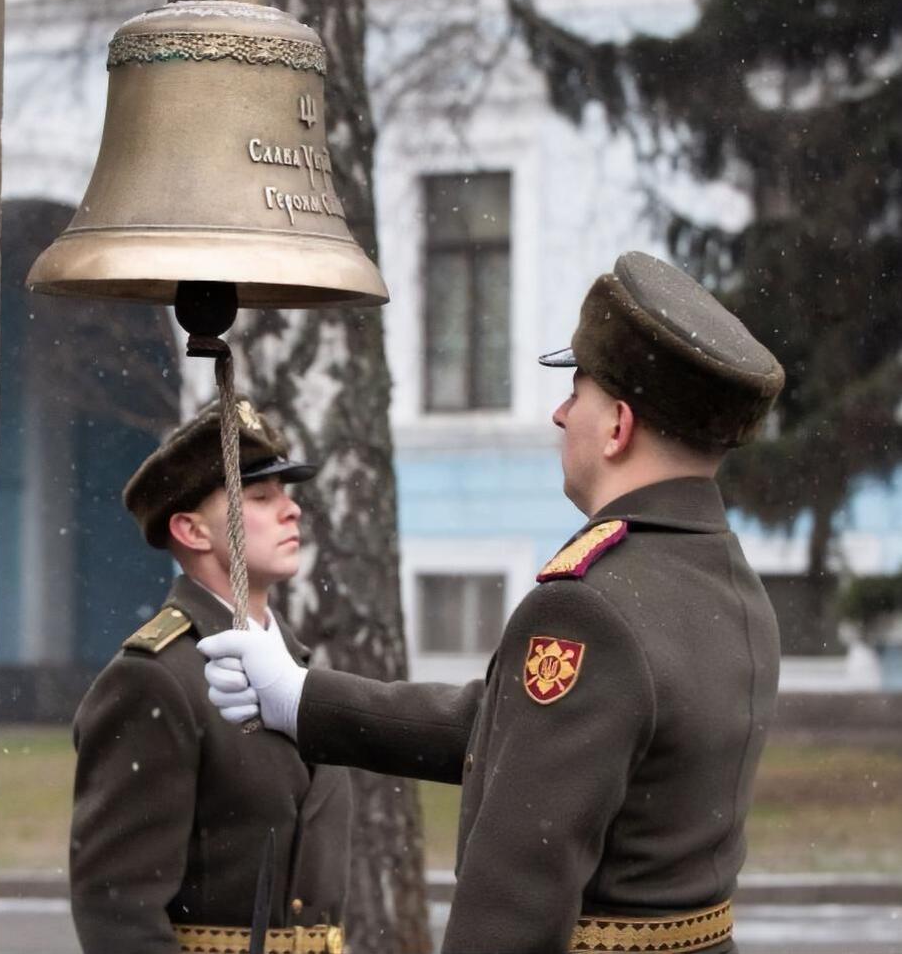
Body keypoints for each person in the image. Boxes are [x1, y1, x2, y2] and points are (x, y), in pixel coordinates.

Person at [199, 251, 786, 954]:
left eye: (578, 392)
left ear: (618, 426)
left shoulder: (589, 609)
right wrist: (300, 698)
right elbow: (513, 730)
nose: (560, 412)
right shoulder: (726, 578)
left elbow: (513, 898)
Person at [69, 397, 352, 954]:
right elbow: (118, 910)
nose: (291, 510)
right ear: (192, 531)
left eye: (286, 495)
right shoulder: (156, 680)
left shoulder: (294, 666)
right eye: (261, 497)